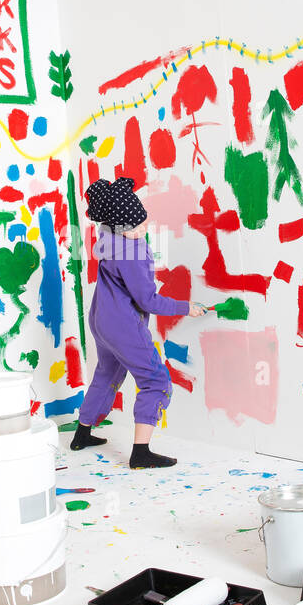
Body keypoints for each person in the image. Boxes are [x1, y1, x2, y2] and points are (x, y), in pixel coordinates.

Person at [71, 176, 206, 468]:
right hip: (122, 326)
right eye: (136, 226)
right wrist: (186, 307)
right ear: (120, 227)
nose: (144, 227)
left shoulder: (108, 240)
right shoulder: (131, 252)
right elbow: (147, 300)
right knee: (156, 381)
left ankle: (81, 434)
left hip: (101, 320)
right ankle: (141, 453)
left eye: (144, 220)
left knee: (106, 375)